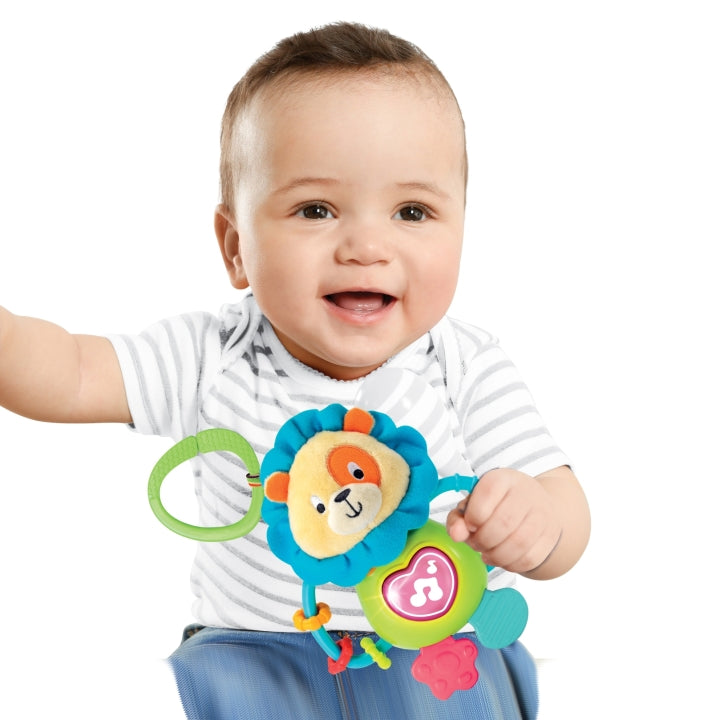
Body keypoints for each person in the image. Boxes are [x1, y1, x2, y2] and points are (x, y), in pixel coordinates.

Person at [0, 21, 590, 720]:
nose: (366, 245)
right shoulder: (213, 356)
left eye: (411, 211)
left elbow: (565, 510)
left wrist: (538, 525)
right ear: (236, 247)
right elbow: (69, 373)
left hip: (436, 646)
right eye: (316, 209)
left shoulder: (465, 365)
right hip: (253, 655)